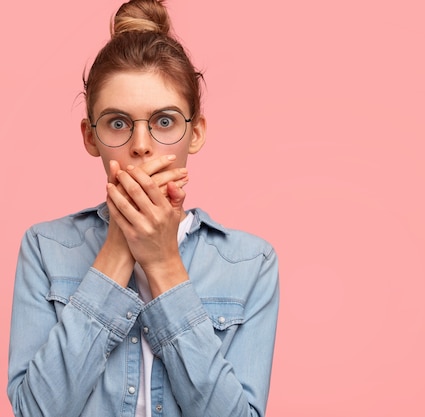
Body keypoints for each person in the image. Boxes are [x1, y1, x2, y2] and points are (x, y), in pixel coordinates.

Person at [7, 0, 279, 416]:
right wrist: (118, 249)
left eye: (164, 121)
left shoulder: (250, 262)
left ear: (196, 132)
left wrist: (164, 264)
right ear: (90, 137)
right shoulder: (45, 249)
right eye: (118, 122)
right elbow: (35, 412)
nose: (141, 144)